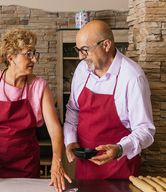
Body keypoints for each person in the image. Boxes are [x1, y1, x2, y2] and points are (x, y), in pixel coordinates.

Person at [0, 28, 70, 192]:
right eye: (29, 54)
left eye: (35, 53)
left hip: (25, 166)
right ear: (11, 58)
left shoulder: (40, 87)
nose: (35, 59)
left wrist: (57, 162)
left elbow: (55, 128)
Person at [64, 20, 155, 179]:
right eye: (78, 50)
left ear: (106, 45)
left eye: (85, 50)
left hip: (120, 170)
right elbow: (73, 110)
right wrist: (70, 141)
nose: (80, 57)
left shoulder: (132, 77)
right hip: (86, 168)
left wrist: (119, 149)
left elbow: (145, 130)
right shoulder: (82, 70)